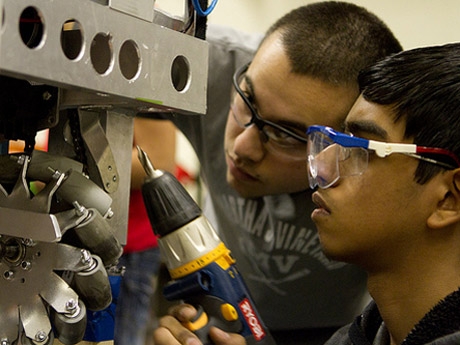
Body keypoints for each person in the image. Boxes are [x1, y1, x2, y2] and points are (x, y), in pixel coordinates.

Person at [150, 2, 402, 345]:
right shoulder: (206, 64)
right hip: (225, 306)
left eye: (285, 134)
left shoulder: (390, 155)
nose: (243, 148)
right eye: (247, 103)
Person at [308, 42, 460, 344]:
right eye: (339, 140)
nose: (323, 168)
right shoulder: (363, 335)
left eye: (362, 149)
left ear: (448, 201)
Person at [114, 117, 176, 345]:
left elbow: (158, 162)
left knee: (126, 335)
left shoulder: (143, 97)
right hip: (91, 238)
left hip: (132, 246)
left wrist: (69, 163)